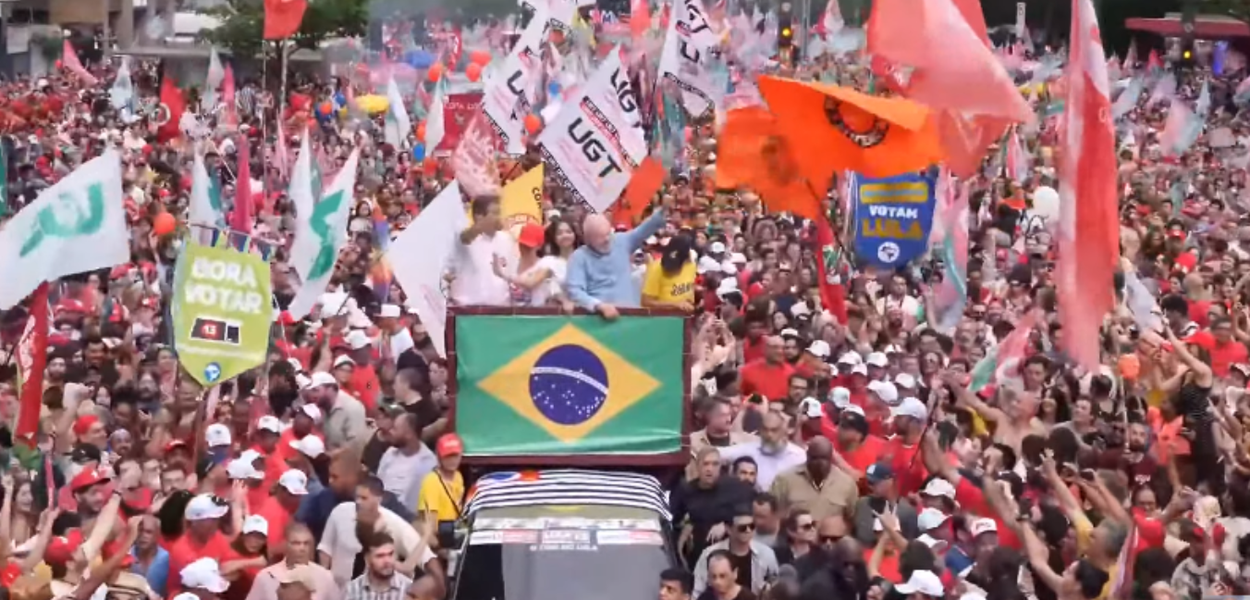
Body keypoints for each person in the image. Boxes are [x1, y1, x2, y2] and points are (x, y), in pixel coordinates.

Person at [566, 199, 670, 317]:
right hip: (598, 320)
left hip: (630, 316)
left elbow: (643, 230)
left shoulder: (621, 240)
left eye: (608, 234)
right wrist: (598, 305)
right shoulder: (579, 257)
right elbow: (575, 291)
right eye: (600, 238)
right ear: (588, 240)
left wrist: (663, 211)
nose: (607, 240)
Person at [692, 505, 779, 597]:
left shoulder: (766, 554)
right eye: (742, 528)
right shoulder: (709, 554)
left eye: (752, 526)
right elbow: (697, 590)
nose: (748, 530)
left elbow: (776, 584)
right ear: (729, 529)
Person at [451, 194, 516, 306]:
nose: (499, 217)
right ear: (479, 216)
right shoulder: (464, 239)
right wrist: (479, 226)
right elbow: (465, 238)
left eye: (499, 213)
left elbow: (511, 273)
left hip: (500, 308)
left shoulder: (507, 239)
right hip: (468, 310)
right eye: (495, 213)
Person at [246, 523, 340, 600]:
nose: (302, 548)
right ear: (285, 545)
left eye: (306, 543)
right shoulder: (266, 577)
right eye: (296, 543)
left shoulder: (324, 577)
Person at [376, 413, 438, 511]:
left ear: (409, 434)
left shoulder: (428, 463)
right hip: (381, 511)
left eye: (395, 429)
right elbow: (378, 485)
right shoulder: (389, 454)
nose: (391, 431)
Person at [343, 532, 413, 600]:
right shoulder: (352, 590)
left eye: (390, 554)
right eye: (380, 556)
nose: (387, 561)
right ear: (367, 559)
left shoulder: (409, 589)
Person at [417, 433, 465, 525]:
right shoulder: (431, 481)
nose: (452, 460)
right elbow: (430, 524)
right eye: (447, 456)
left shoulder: (458, 477)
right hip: (438, 534)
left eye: (455, 455)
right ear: (439, 457)